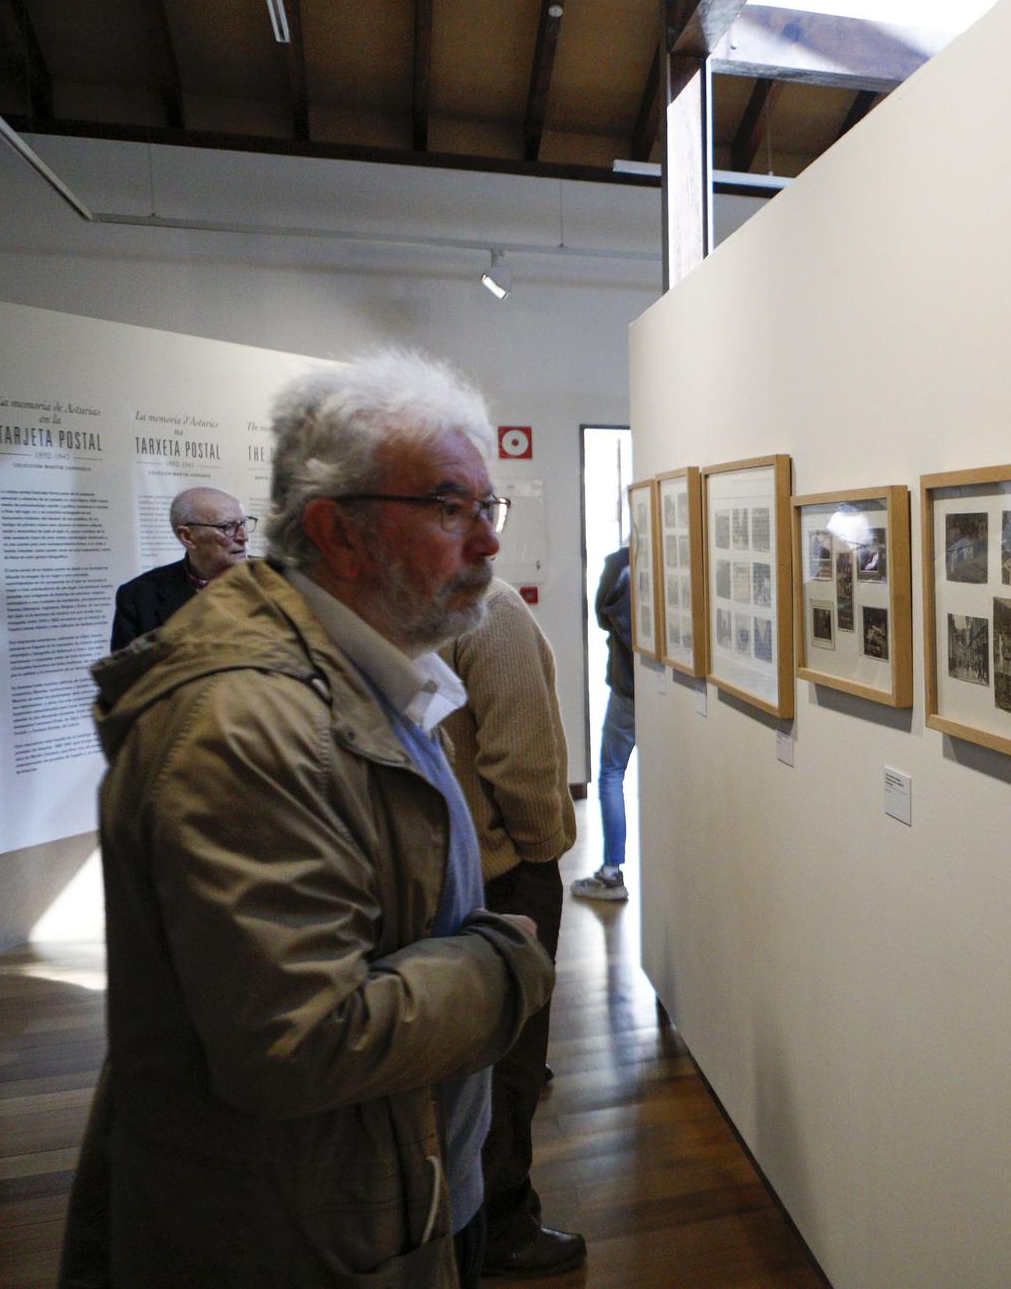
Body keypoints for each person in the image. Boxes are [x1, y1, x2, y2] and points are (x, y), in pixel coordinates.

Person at [60, 350, 554, 1289]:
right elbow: (298, 1040)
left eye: (489, 508)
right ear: (339, 531)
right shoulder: (248, 722)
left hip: (379, 1186)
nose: (488, 542)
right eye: (451, 508)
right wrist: (503, 962)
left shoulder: (371, 673)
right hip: (300, 1230)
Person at [438, 581, 587, 1278]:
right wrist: (539, 850)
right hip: (504, 870)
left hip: (444, 865)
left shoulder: (387, 603)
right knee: (512, 1056)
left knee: (469, 1056)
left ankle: (462, 1212)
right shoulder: (487, 608)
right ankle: (503, 1219)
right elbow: (520, 755)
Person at [108, 485, 252, 649]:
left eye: (243, 524)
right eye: (228, 527)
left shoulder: (278, 577)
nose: (244, 536)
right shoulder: (138, 597)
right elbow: (127, 673)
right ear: (188, 536)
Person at [573, 544, 633, 903]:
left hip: (626, 686)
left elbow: (599, 614)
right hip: (668, 691)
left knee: (611, 774)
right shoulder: (681, 555)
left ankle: (612, 871)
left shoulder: (619, 562)